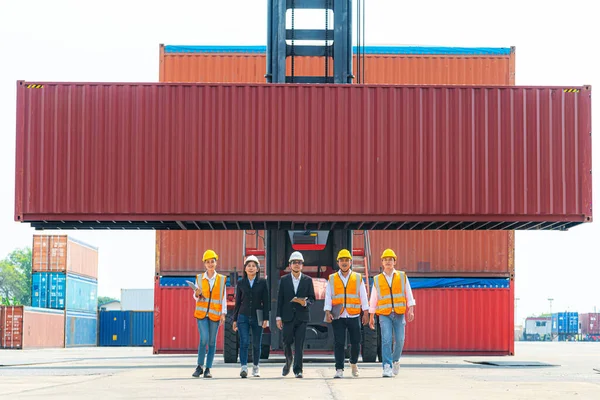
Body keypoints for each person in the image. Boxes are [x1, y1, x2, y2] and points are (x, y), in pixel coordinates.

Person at [369, 248, 415, 378]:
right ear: (382, 262)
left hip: (399, 313)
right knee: (386, 340)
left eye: (390, 259)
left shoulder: (402, 276)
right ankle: (387, 366)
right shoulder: (377, 279)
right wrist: (371, 315)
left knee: (400, 340)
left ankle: (395, 360)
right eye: (385, 259)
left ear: (394, 262)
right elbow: (374, 298)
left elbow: (408, 292)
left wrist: (411, 309)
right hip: (384, 314)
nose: (388, 262)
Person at [324, 249, 370, 378]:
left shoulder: (357, 277)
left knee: (356, 342)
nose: (344, 263)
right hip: (338, 315)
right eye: (342, 260)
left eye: (346, 260)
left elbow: (363, 296)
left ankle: (354, 363)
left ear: (351, 262)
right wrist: (327, 311)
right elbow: (328, 296)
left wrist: (365, 312)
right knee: (339, 342)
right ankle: (339, 369)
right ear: (338, 262)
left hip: (354, 315)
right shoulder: (332, 278)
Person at [276, 251, 316, 378]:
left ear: (302, 265)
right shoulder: (284, 280)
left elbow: (312, 298)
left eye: (299, 263)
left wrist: (305, 303)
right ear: (290, 265)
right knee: (286, 341)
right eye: (294, 262)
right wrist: (278, 317)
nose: (297, 265)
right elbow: (280, 300)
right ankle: (288, 361)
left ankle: (298, 369)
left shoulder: (308, 280)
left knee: (299, 344)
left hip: (301, 316)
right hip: (287, 316)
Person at [232, 255, 270, 378]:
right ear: (245, 268)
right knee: (244, 341)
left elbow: (266, 302)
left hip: (257, 316)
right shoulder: (241, 283)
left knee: (256, 343)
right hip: (243, 316)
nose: (251, 268)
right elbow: (237, 302)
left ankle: (256, 366)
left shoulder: (263, 283)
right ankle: (243, 367)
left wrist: (266, 318)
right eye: (249, 266)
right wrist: (234, 319)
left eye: (254, 266)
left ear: (258, 269)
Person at [192, 249, 227, 378]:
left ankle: (208, 369)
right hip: (201, 315)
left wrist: (223, 313)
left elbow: (222, 298)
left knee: (212, 342)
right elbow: (195, 296)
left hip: (215, 315)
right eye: (208, 262)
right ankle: (199, 366)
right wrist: (196, 293)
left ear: (216, 263)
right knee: (204, 339)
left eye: (212, 261)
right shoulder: (199, 278)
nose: (210, 264)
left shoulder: (221, 279)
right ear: (204, 264)